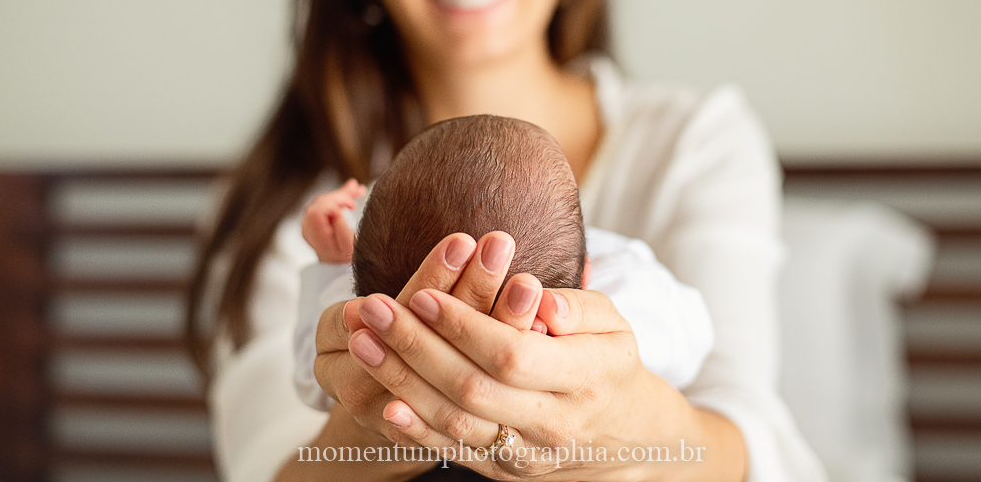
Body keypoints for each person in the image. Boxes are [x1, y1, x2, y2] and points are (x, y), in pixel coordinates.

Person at [185, 0, 827, 480]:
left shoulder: (690, 144)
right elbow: (263, 461)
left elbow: (753, 440)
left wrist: (622, 421)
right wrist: (389, 404)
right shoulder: (295, 204)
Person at [291, 114, 715, 414]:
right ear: (587, 274)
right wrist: (570, 339)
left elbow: (314, 383)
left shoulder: (372, 322)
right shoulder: (621, 280)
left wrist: (330, 269)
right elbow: (693, 335)